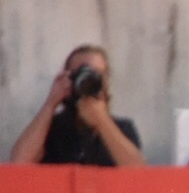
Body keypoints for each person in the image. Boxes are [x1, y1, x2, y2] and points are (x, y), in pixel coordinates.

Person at [10, 44, 145, 167]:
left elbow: (138, 172)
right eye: (81, 72)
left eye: (96, 73)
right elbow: (19, 163)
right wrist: (51, 102)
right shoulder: (50, 127)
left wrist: (101, 120)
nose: (88, 79)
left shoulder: (122, 128)